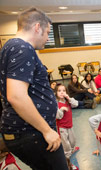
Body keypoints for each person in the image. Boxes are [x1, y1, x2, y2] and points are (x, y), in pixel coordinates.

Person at [0, 7, 68, 169]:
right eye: (47, 32)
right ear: (37, 27)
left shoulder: (10, 46)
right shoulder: (23, 48)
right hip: (31, 132)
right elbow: (16, 96)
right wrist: (46, 131)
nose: (47, 38)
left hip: (27, 131)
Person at [55, 85, 79, 170]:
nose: (62, 92)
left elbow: (76, 104)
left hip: (70, 126)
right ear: (56, 93)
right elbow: (57, 116)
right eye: (59, 91)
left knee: (73, 141)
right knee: (66, 147)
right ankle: (68, 165)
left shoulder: (67, 101)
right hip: (62, 128)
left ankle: (71, 150)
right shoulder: (56, 103)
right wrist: (61, 109)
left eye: (64, 90)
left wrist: (69, 98)